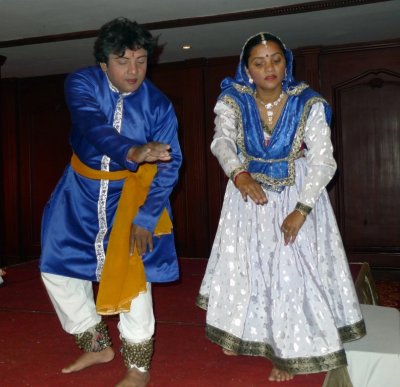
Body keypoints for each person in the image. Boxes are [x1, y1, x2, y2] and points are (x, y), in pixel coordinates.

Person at [196, 32, 366, 383]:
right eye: (259, 62)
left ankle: (286, 352)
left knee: (290, 270)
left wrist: (302, 210)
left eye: (275, 59)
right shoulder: (233, 101)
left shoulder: (307, 102)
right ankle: (246, 333)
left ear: (285, 62)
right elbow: (222, 141)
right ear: (247, 69)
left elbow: (323, 161)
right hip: (247, 197)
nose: (268, 67)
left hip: (296, 193)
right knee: (249, 265)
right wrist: (238, 173)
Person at [39, 17, 181, 387]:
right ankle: (95, 342)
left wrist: (147, 217)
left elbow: (172, 163)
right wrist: (133, 149)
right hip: (78, 192)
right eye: (123, 61)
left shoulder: (159, 105)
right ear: (104, 64)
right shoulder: (81, 83)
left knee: (135, 276)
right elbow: (92, 126)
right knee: (56, 266)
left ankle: (138, 367)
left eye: (140, 60)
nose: (134, 70)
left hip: (130, 195)